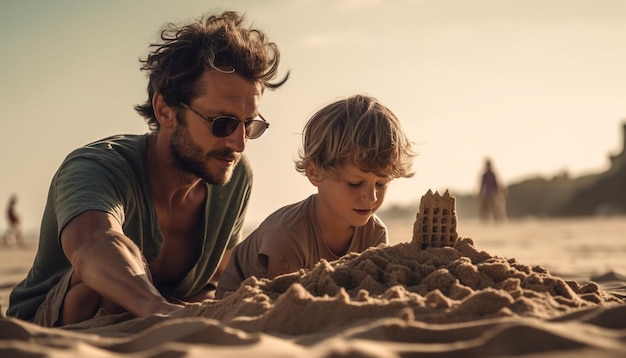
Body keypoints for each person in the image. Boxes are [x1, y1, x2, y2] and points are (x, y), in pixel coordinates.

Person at [7, 11, 288, 327]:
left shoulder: (234, 174)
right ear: (165, 111)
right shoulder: (97, 166)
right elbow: (94, 243)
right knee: (106, 284)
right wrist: (159, 309)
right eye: (222, 124)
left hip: (163, 312)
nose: (239, 143)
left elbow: (220, 274)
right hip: (49, 321)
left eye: (249, 124)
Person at [216, 94, 416, 298]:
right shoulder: (287, 234)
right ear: (315, 173)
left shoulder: (375, 234)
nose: (371, 197)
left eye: (381, 184)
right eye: (354, 184)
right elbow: (285, 304)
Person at [478, 158, 507, 223]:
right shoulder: (484, 175)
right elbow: (482, 185)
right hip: (486, 194)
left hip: (493, 194)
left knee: (495, 208)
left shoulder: (493, 174)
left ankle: (498, 221)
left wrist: (497, 194)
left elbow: (496, 185)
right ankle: (485, 221)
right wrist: (481, 193)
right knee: (484, 209)